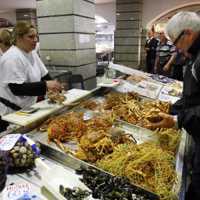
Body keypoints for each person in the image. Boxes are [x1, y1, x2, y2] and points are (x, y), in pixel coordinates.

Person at [147, 11, 200, 200]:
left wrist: (178, 120)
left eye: (175, 42)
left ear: (188, 34)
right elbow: (193, 96)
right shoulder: (195, 55)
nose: (176, 49)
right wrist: (170, 110)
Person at [0, 21, 62, 132]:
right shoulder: (12, 58)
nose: (35, 40)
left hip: (28, 108)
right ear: (18, 38)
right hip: (12, 112)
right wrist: (46, 85)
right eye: (31, 37)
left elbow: (45, 75)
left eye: (36, 36)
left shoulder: (31, 53)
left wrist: (55, 87)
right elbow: (17, 89)